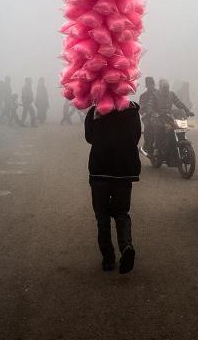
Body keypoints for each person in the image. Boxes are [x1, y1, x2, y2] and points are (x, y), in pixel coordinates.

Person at [84, 100, 141, 274]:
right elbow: (136, 135)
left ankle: (108, 258)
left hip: (100, 170)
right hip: (124, 170)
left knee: (102, 217)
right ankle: (126, 246)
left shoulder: (95, 111)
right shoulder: (132, 110)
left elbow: (89, 137)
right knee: (122, 213)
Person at [149, 79, 194, 156]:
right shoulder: (154, 95)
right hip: (157, 117)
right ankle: (156, 148)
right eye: (164, 87)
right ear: (160, 87)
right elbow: (150, 106)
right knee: (159, 127)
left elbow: (179, 103)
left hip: (168, 117)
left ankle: (178, 142)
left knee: (179, 127)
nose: (166, 89)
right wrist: (154, 113)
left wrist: (187, 111)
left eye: (167, 87)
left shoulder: (171, 94)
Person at [138, 77, 157, 154]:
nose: (151, 86)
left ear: (154, 84)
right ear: (146, 86)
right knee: (148, 127)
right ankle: (147, 146)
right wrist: (145, 113)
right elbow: (141, 108)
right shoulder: (143, 96)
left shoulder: (158, 93)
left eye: (152, 84)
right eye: (149, 84)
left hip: (158, 115)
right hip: (147, 116)